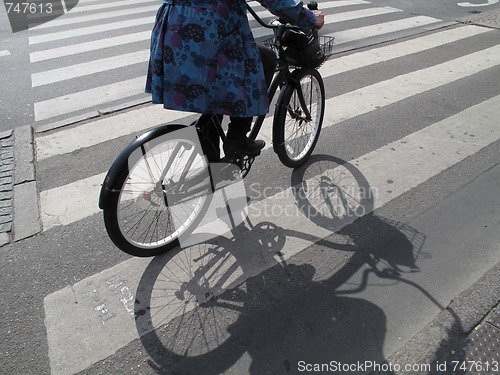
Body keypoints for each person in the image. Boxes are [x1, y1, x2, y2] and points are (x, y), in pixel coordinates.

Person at [146, 0, 324, 159]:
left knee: (220, 82)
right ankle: (237, 137)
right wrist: (310, 18)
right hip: (208, 31)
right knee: (266, 59)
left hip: (173, 28)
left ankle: (211, 149)